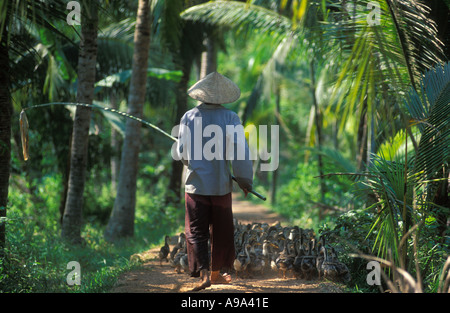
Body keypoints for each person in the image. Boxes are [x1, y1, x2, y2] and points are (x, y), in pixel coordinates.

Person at [176, 71, 253, 291]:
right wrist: (244, 181)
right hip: (220, 186)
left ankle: (204, 276)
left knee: (196, 230)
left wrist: (194, 159)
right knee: (220, 229)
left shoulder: (188, 117)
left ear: (201, 95)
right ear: (222, 97)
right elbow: (240, 153)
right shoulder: (230, 117)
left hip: (196, 184)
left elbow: (182, 153)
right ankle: (217, 273)